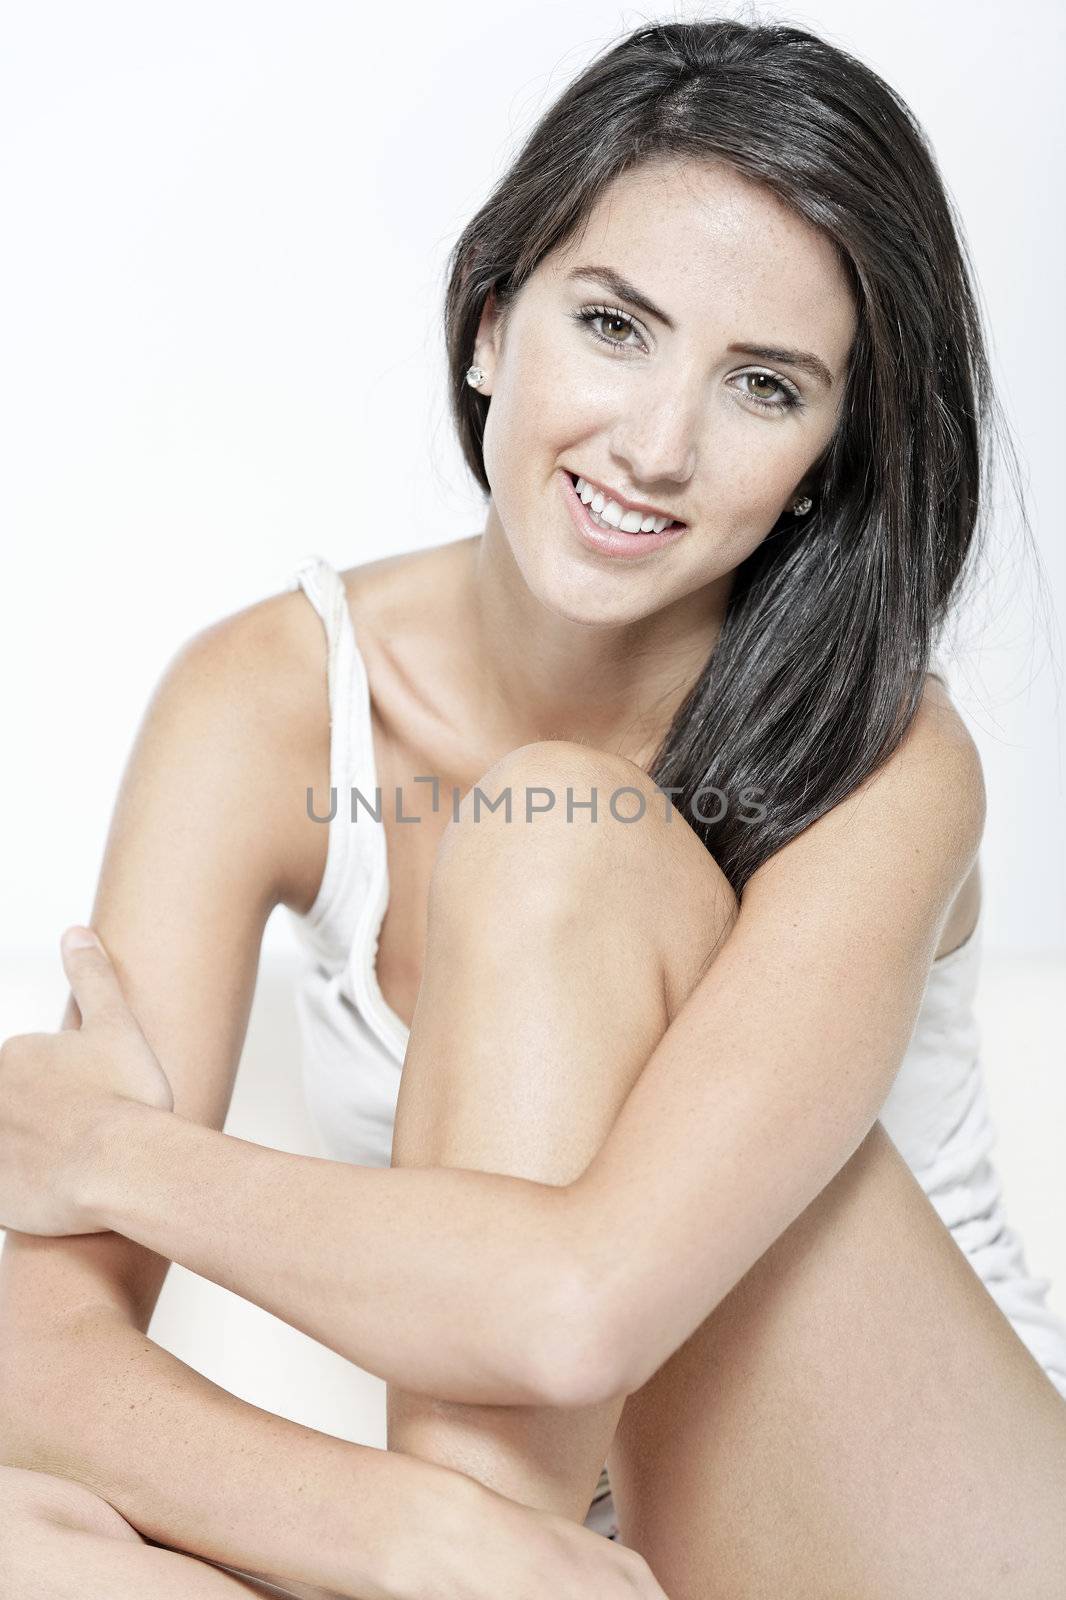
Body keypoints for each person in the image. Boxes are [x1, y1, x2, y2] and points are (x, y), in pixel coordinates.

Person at [3, 15, 1066, 1598]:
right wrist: (406, 1536)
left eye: (763, 387)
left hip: (916, 1531)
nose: (654, 444)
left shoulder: (888, 753)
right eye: (614, 326)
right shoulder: (268, 699)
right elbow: (37, 1355)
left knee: (549, 832)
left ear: (825, 464)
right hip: (537, 1556)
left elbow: (579, 1310)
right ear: (493, 321)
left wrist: (110, 1157)